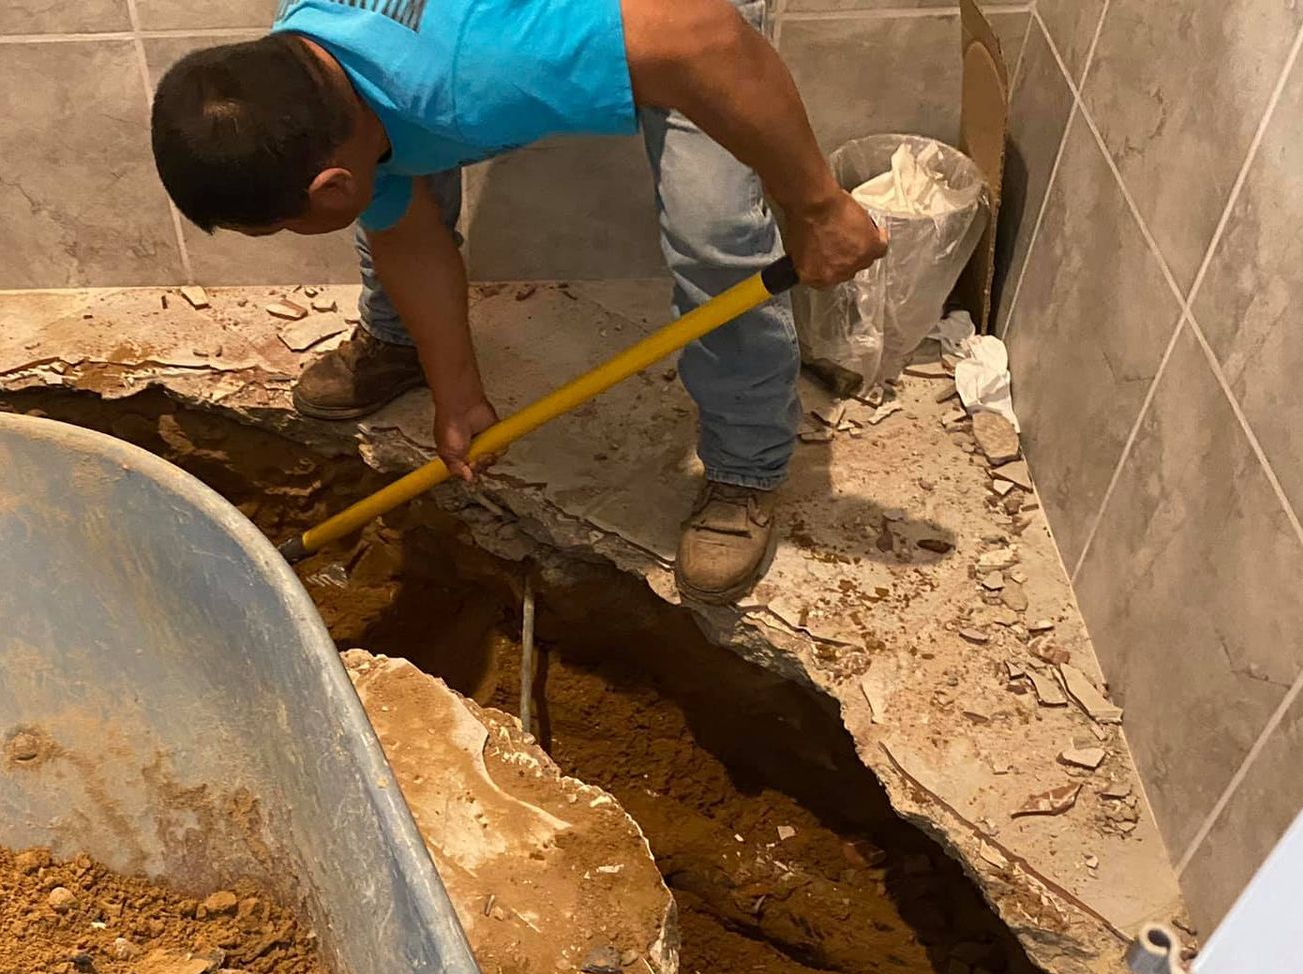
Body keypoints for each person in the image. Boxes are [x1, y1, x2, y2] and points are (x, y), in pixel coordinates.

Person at [150, 0, 885, 602]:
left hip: (690, 24)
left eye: (283, 221)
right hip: (443, 66)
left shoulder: (468, 80)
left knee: (715, 236)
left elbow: (707, 37)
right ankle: (398, 344)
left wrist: (817, 205)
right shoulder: (305, 75)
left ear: (328, 191)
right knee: (394, 157)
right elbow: (405, 230)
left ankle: (746, 467)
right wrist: (458, 394)